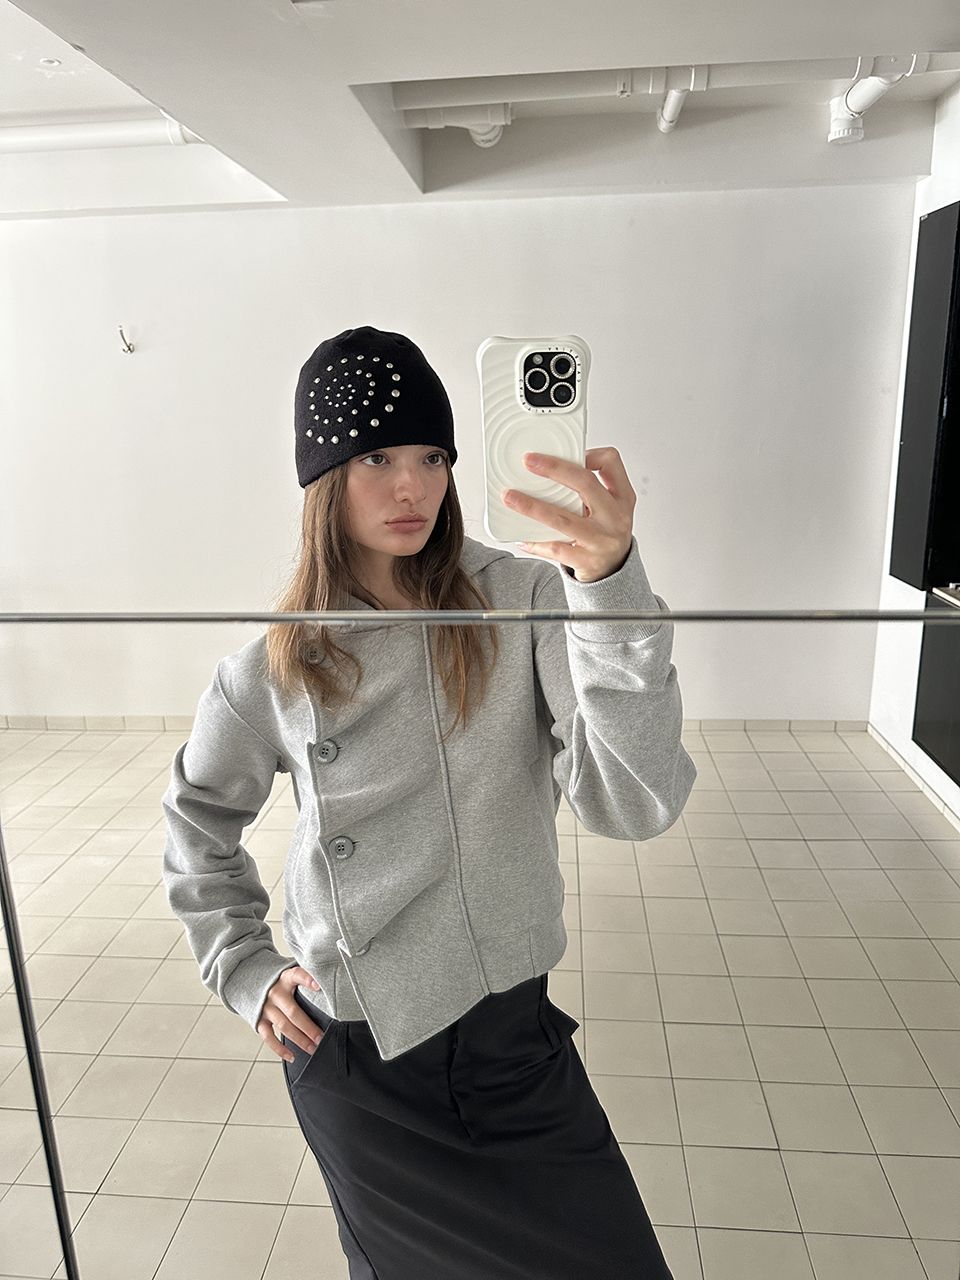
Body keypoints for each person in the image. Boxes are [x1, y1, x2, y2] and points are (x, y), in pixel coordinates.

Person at [162, 325, 696, 1279]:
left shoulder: (527, 599)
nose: (411, 486)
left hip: (513, 1046)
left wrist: (609, 588)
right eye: (376, 458)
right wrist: (240, 963)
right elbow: (198, 822)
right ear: (324, 480)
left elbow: (633, 804)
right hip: (360, 1065)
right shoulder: (273, 666)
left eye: (432, 457)